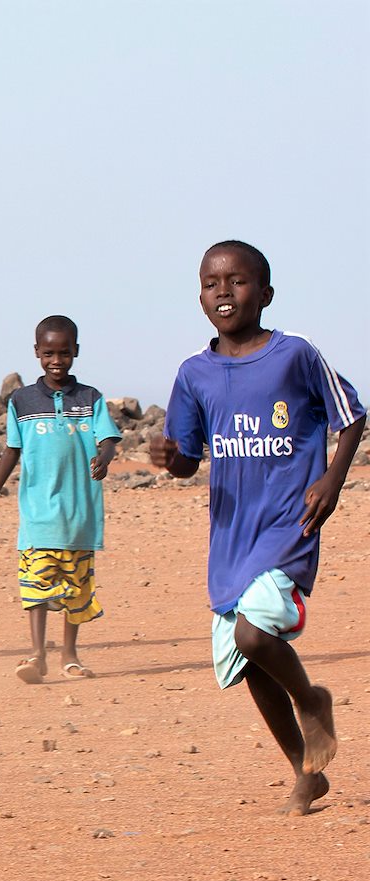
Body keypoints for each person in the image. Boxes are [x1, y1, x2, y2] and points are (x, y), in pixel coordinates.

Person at [150, 240, 362, 815]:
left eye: (237, 281)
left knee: (253, 635)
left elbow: (352, 414)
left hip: (289, 524)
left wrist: (332, 481)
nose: (224, 291)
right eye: (211, 283)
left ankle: (312, 699)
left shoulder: (294, 355)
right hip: (232, 538)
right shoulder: (194, 373)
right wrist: (171, 460)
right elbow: (188, 458)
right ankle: (304, 770)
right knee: (250, 663)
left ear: (265, 293)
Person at [0, 315, 123, 682]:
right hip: (38, 516)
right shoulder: (22, 400)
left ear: (75, 351)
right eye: (48, 353)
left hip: (80, 517)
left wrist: (103, 459)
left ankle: (70, 656)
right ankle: (36, 655)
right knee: (35, 587)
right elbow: (11, 452)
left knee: (76, 592)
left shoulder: (90, 398)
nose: (56, 360)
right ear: (36, 353)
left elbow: (108, 440)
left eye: (63, 353)